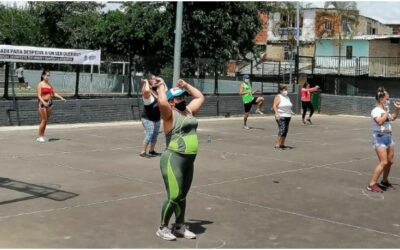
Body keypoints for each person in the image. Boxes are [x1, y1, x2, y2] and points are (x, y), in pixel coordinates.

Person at [155, 79, 205, 241]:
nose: (183, 99)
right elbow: (161, 101)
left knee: (182, 197)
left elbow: (200, 97)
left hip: (189, 161)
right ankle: (162, 228)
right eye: (178, 98)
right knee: (174, 196)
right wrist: (162, 86)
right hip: (173, 158)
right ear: (171, 102)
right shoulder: (169, 115)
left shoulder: (188, 111)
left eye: (183, 97)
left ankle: (179, 227)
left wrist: (186, 86)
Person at [368, 87, 400, 193]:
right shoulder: (375, 111)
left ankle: (384, 181)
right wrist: (386, 112)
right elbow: (380, 122)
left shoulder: (384, 110)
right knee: (384, 162)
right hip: (379, 138)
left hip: (388, 138)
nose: (388, 101)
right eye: (387, 99)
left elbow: (393, 117)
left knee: (390, 162)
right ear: (381, 99)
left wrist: (397, 109)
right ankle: (372, 184)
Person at [36, 70, 66, 143]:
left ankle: (42, 135)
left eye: (49, 75)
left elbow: (54, 93)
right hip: (42, 103)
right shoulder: (40, 84)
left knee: (46, 121)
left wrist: (61, 97)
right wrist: (43, 102)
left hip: (49, 104)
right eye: (46, 75)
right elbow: (39, 95)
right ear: (43, 76)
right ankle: (40, 136)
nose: (47, 77)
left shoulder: (49, 84)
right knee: (44, 120)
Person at [139, 75, 164, 158]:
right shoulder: (147, 93)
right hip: (147, 118)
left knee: (155, 134)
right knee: (150, 133)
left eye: (155, 78)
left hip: (156, 117)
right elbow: (146, 90)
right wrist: (146, 82)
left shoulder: (156, 91)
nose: (155, 80)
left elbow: (165, 90)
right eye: (153, 79)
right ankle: (142, 152)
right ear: (149, 81)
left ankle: (152, 150)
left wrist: (161, 81)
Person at [273, 85, 293, 149]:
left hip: (288, 116)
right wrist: (276, 113)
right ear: (280, 90)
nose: (286, 91)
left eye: (286, 90)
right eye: (284, 90)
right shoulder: (278, 97)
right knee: (282, 129)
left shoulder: (287, 97)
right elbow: (274, 105)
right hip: (281, 116)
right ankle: (277, 144)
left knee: (285, 130)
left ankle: (282, 144)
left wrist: (290, 111)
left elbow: (288, 105)